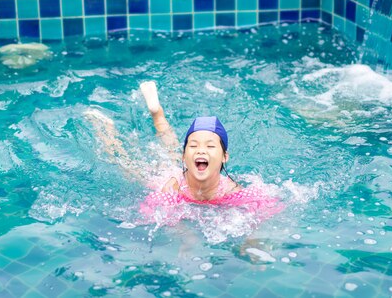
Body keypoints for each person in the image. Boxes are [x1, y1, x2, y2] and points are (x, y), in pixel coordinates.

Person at [84, 81, 282, 224]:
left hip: (181, 171)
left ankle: (157, 113)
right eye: (193, 146)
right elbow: (167, 220)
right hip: (165, 175)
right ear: (184, 156)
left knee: (167, 146)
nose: (201, 150)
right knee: (126, 164)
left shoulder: (232, 192)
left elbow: (261, 214)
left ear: (224, 157)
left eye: (210, 146)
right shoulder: (172, 188)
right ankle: (107, 129)